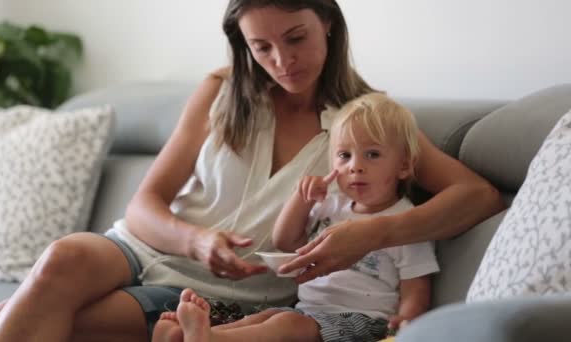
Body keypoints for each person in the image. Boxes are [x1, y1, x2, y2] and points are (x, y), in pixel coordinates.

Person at [0, 1, 504, 341]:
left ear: (327, 21)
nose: (282, 61)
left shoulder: (366, 124)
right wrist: (196, 241)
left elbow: (477, 196)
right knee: (61, 258)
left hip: (222, 294)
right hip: (148, 245)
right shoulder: (220, 90)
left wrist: (372, 233)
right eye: (262, 47)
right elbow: (145, 206)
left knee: (37, 320)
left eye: (296, 38)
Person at [152, 92, 440, 342]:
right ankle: (194, 335)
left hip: (363, 322)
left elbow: (416, 288)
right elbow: (285, 240)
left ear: (404, 166)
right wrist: (301, 200)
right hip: (306, 310)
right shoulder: (331, 206)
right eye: (344, 156)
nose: (355, 167)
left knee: (286, 324)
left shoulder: (405, 222)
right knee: (264, 319)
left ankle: (207, 338)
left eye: (372, 154)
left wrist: (406, 323)